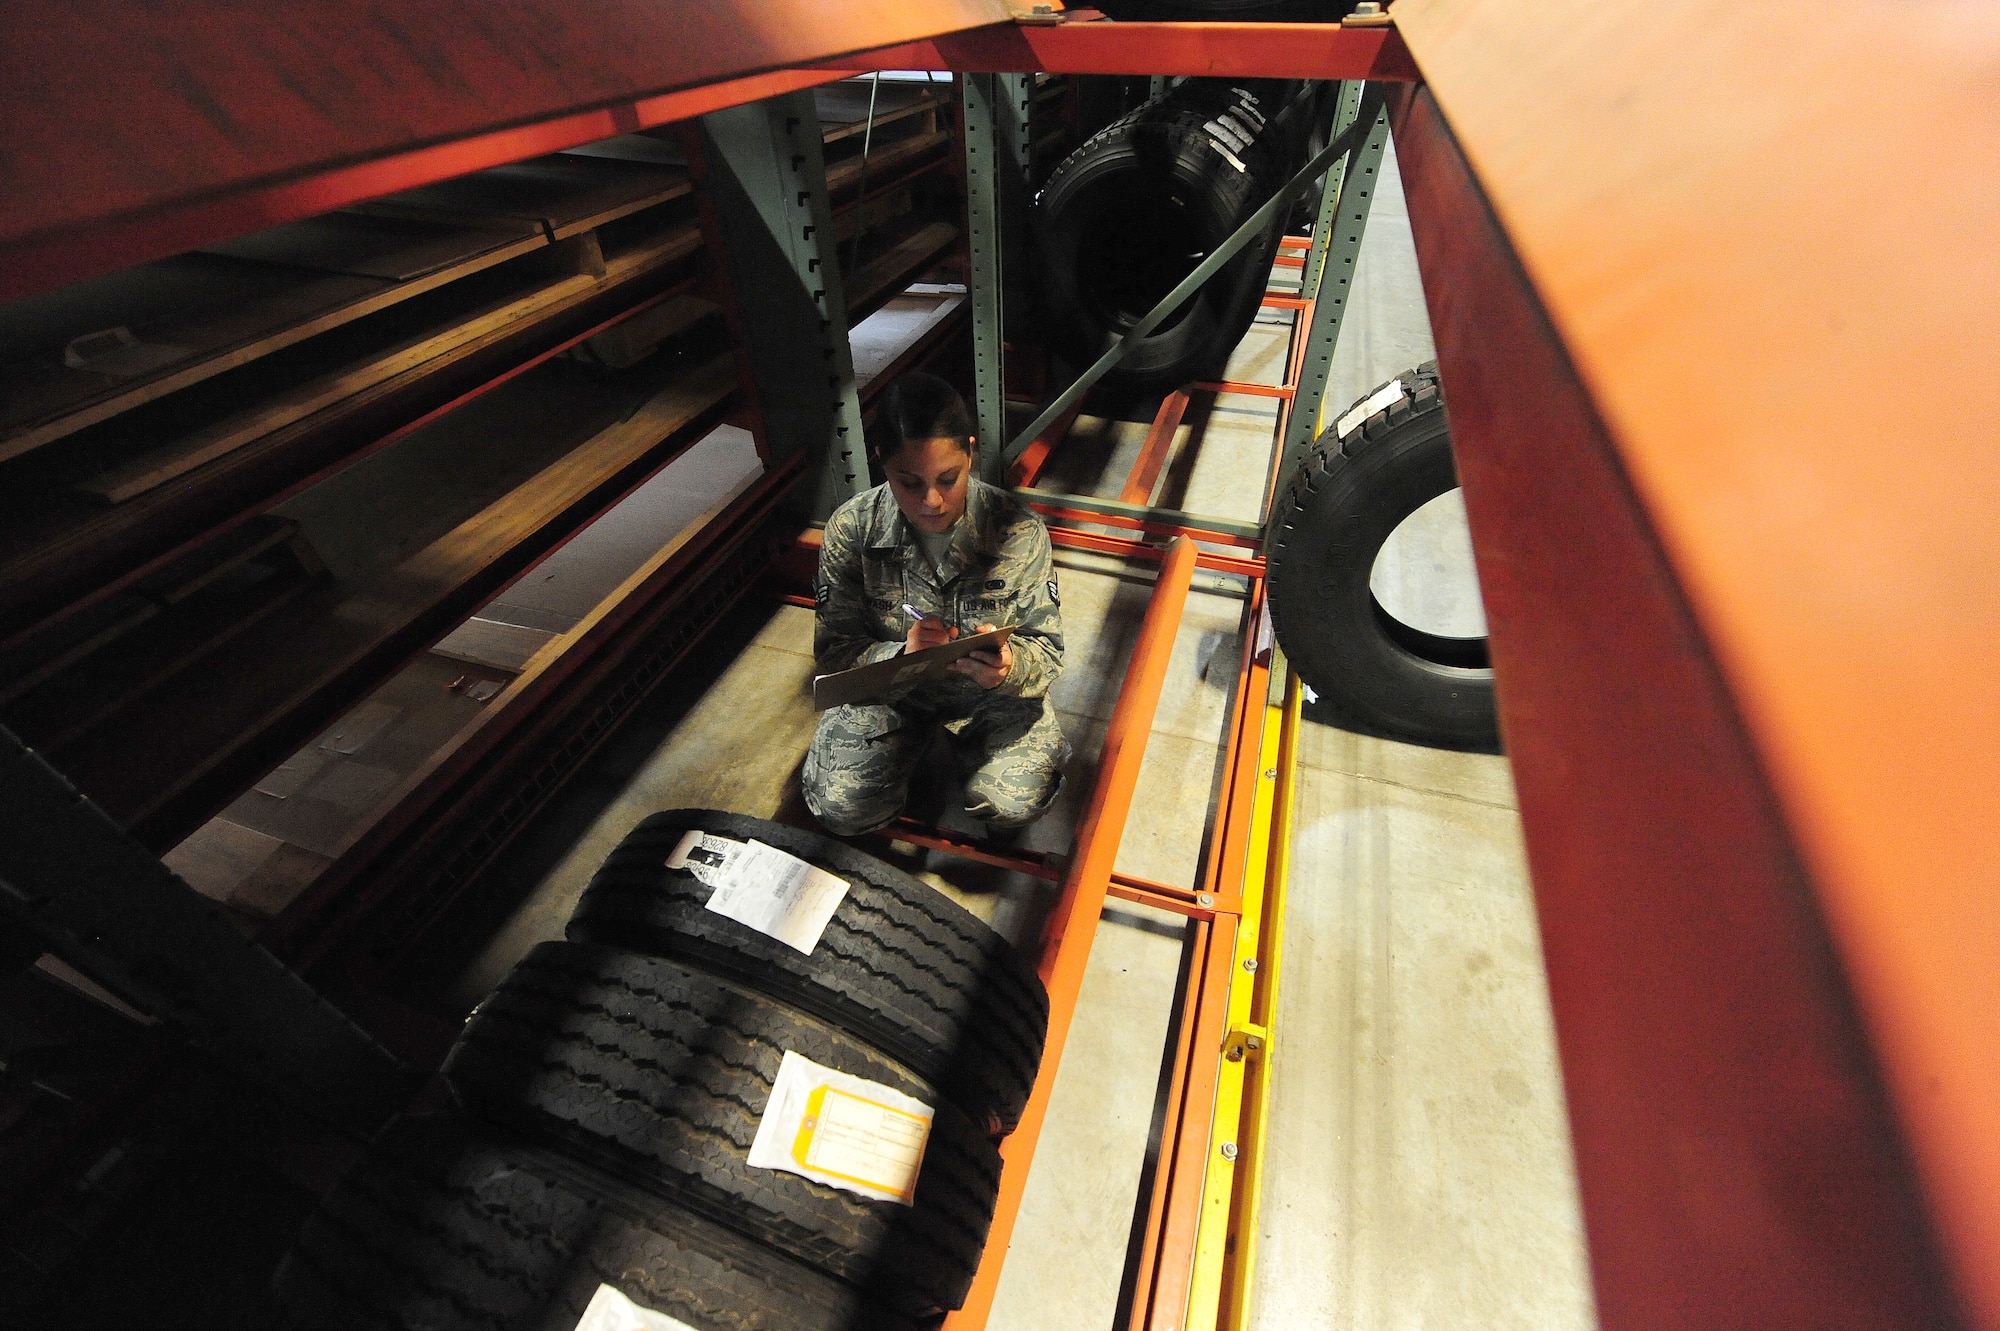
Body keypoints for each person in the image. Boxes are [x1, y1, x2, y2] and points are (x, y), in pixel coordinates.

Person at [802, 372, 1069, 838]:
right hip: (892, 696)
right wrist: (900, 657)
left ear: (970, 452)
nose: (932, 501)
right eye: (909, 483)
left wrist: (1009, 667)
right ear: (882, 461)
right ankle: (908, 760)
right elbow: (835, 657)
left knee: (1013, 802)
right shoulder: (853, 529)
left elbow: (1047, 651)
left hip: (988, 699)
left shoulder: (1017, 530)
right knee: (842, 807)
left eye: (949, 478)